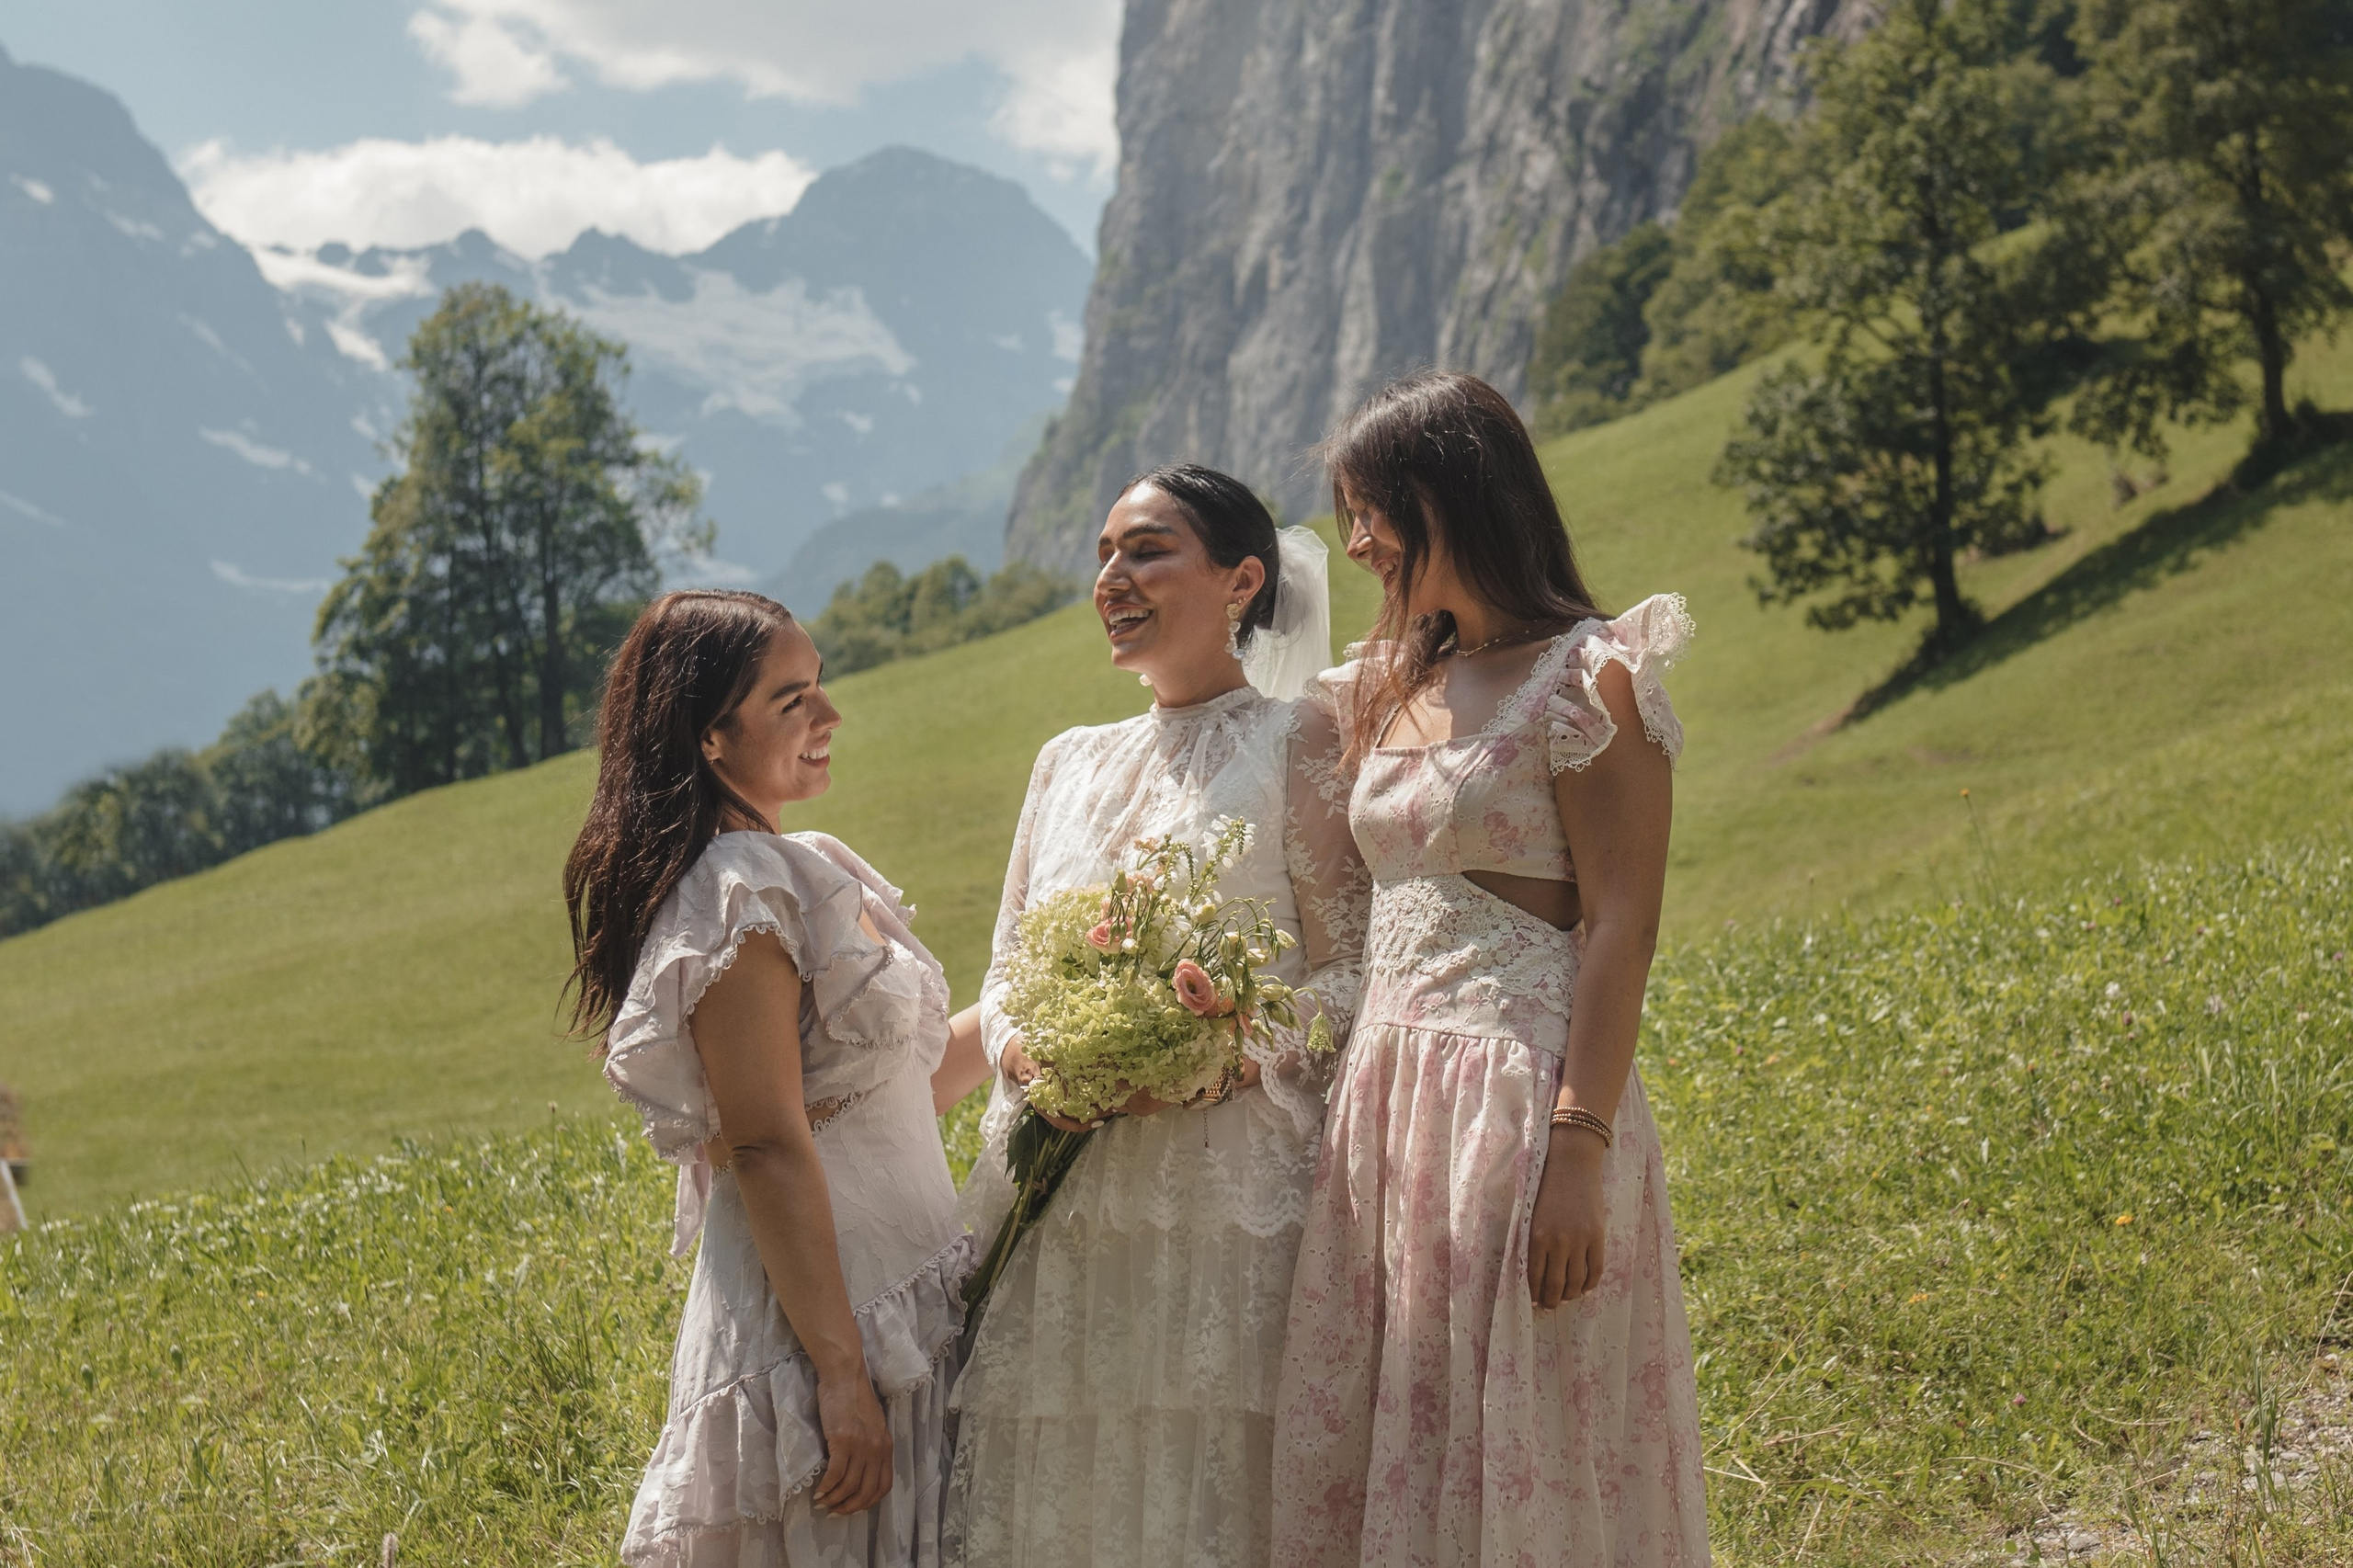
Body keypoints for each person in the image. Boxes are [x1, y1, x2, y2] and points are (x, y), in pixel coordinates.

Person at [1272, 371, 1710, 1566]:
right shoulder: (1390, 684)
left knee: (1525, 1420)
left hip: (1519, 1102)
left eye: (1369, 511)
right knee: (1405, 1421)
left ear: (1447, 496)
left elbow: (1624, 923)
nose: (1355, 542)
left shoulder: (1588, 675)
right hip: (1390, 1104)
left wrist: (1581, 1139)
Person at [944, 465, 1370, 1568]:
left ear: (1241, 579)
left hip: (1226, 1198)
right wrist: (1027, 1047)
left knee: (1208, 1485)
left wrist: (1216, 1058)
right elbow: (1004, 973)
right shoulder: (1064, 763)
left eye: (1144, 550)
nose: (1112, 577)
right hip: (1059, 1189)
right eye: (1102, 556)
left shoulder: (1302, 741)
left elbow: (1351, 978)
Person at [564, 589, 984, 1567]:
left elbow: (888, 1092)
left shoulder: (796, 861)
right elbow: (759, 1138)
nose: (830, 717)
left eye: (820, 688)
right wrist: (840, 1374)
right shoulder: (735, 888)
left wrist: (1043, 1013)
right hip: (827, 1331)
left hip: (898, 1298)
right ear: (712, 736)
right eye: (795, 700)